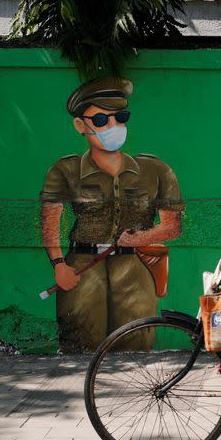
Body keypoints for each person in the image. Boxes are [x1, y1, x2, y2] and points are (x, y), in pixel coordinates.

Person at [40, 76, 184, 352]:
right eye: (101, 121)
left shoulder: (155, 170)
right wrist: (59, 265)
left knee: (137, 349)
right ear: (80, 125)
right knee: (80, 348)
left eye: (120, 117)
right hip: (82, 268)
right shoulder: (65, 170)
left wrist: (141, 237)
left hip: (135, 268)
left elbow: (172, 226)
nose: (113, 126)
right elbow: (50, 222)